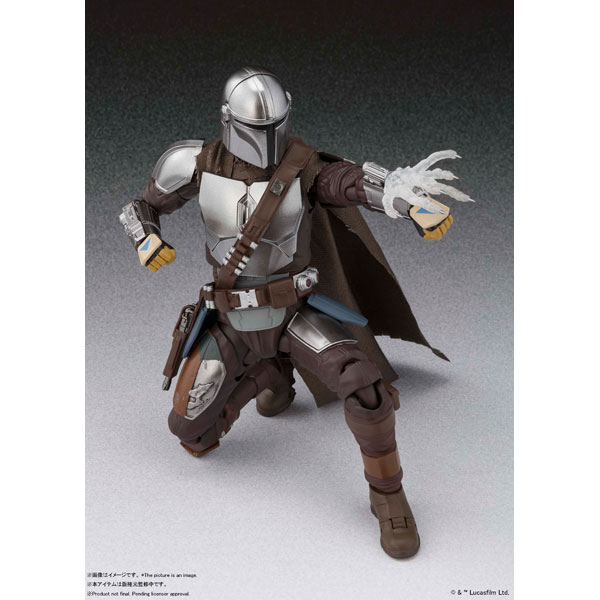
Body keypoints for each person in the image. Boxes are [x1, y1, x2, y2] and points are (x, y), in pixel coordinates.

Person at [119, 66, 472, 558]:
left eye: (274, 126)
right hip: (230, 320)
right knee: (190, 433)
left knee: (365, 388)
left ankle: (389, 497)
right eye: (256, 128)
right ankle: (270, 373)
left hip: (293, 314)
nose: (267, 139)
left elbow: (352, 182)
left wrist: (405, 200)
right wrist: (146, 238)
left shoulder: (302, 167)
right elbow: (140, 206)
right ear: (228, 120)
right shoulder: (193, 162)